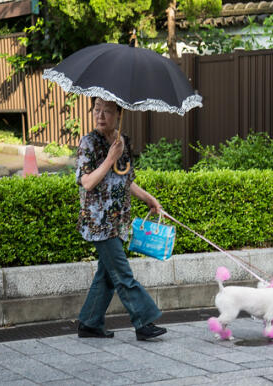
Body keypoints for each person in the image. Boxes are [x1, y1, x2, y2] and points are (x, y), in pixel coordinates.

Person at [75, 97, 167, 340]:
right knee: (122, 274)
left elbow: (125, 179)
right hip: (98, 223)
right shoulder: (88, 143)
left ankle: (89, 322)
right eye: (97, 110)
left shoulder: (121, 141)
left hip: (118, 220)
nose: (100, 116)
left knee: (106, 275)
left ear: (118, 114)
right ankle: (144, 321)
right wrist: (109, 159)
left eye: (107, 111)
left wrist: (148, 198)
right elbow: (87, 182)